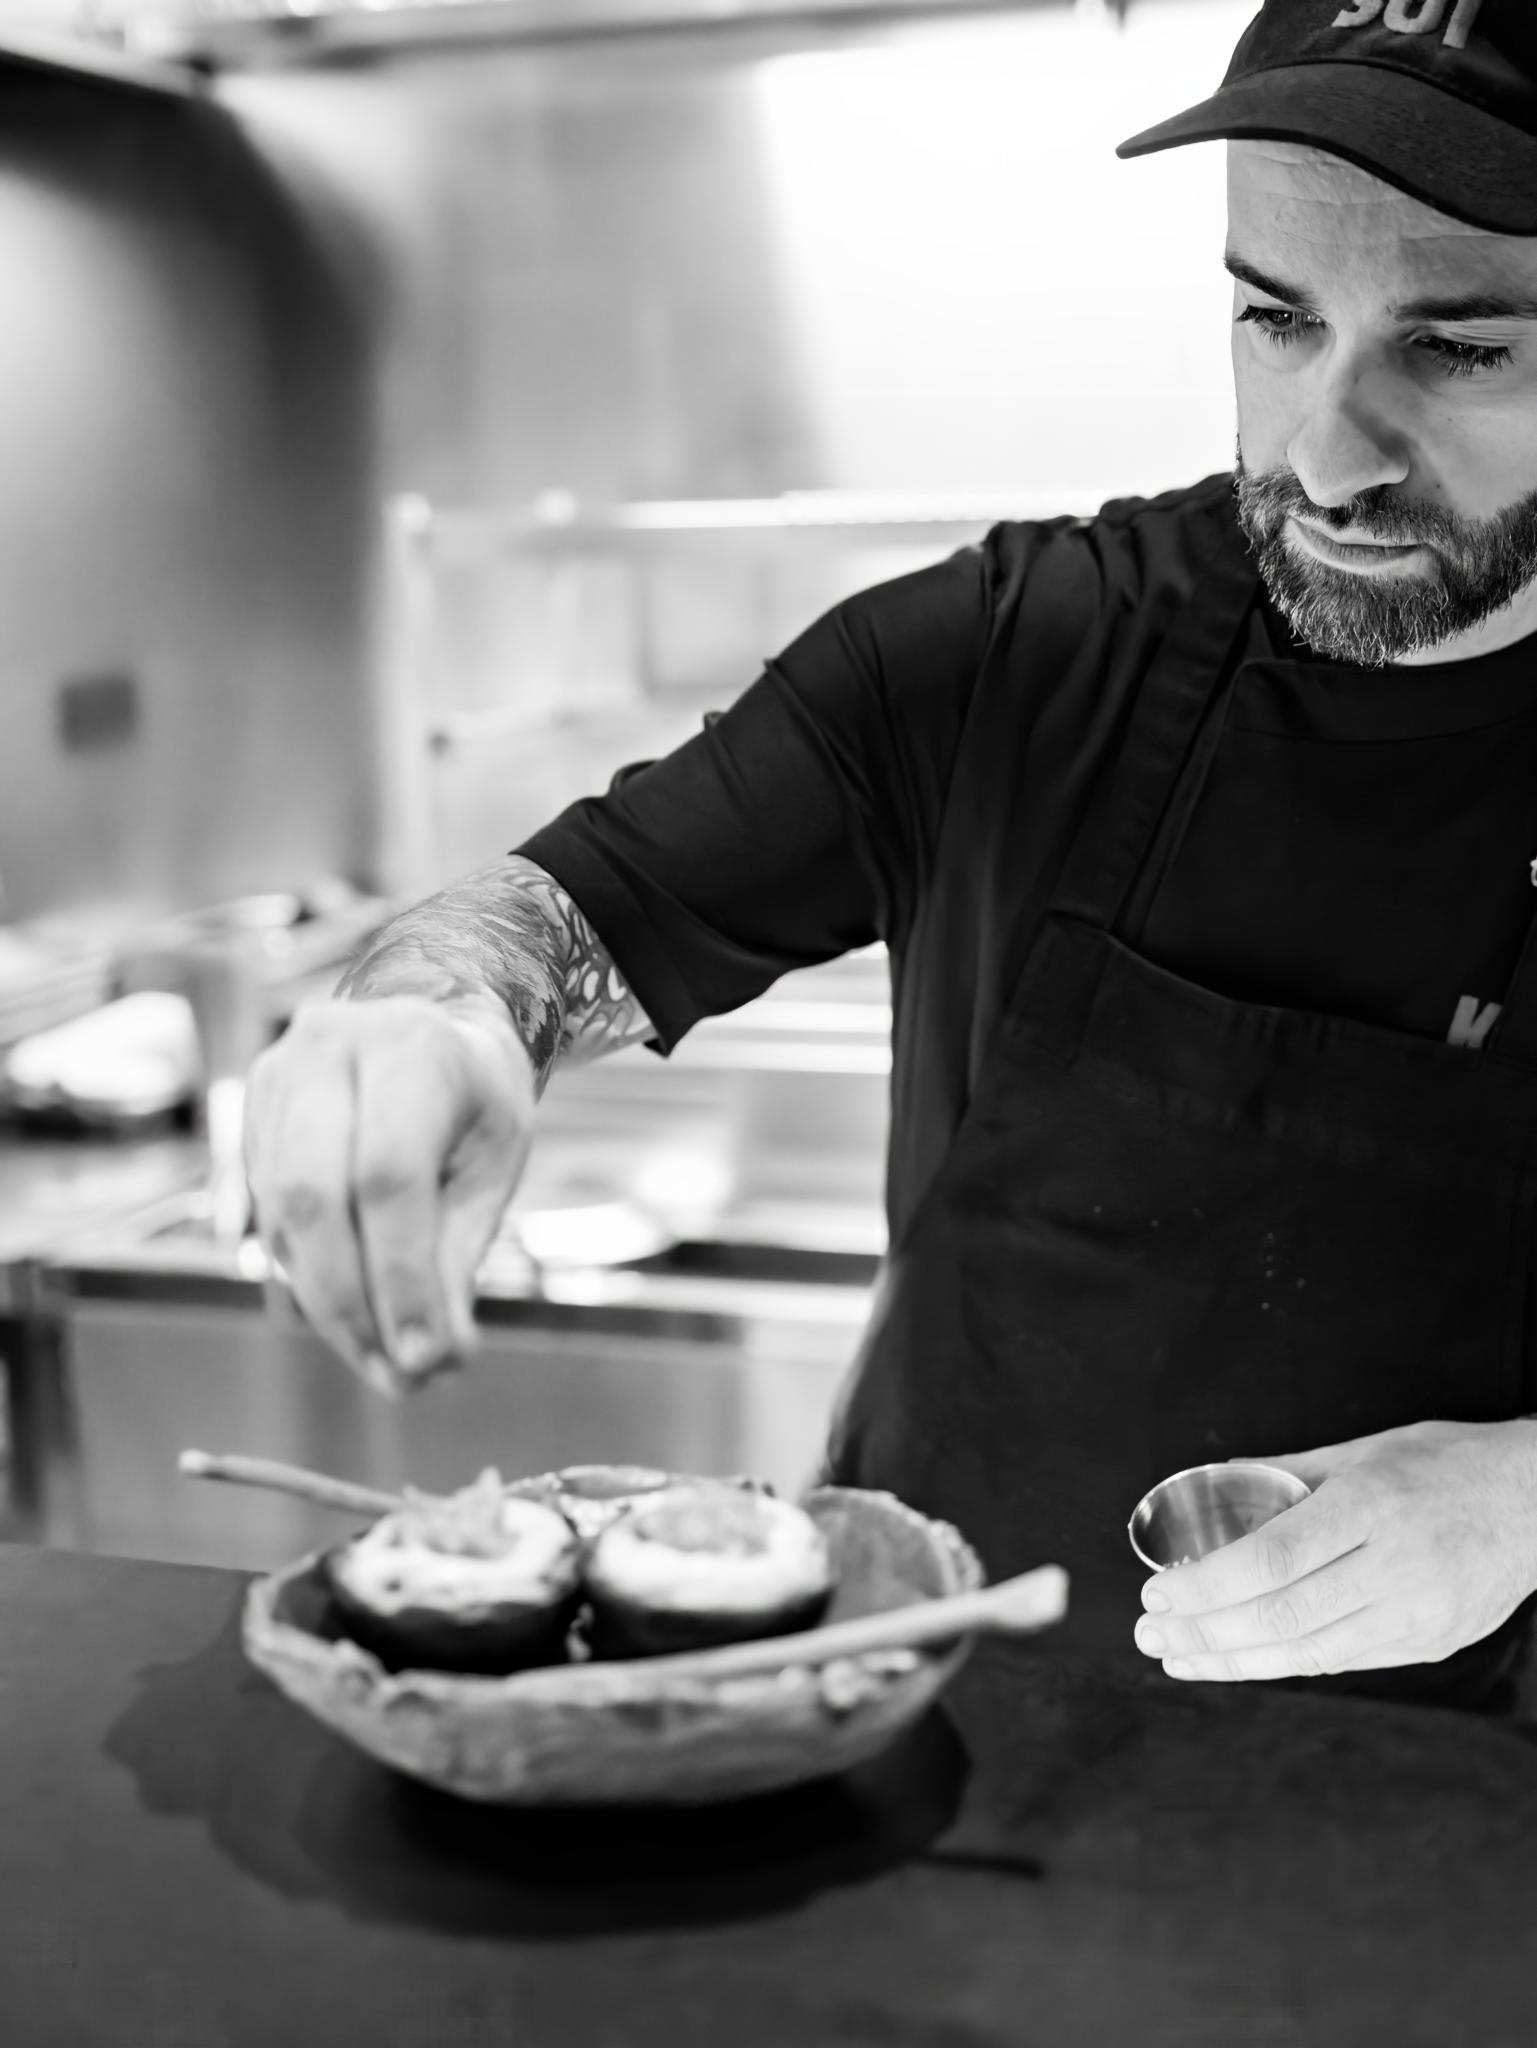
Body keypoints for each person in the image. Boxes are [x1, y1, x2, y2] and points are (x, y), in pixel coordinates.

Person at [245, 0, 1537, 1706]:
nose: (1323, 455)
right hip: (928, 1740)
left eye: (1458, 351)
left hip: (1468, 1818)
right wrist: (438, 1013)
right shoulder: (1027, 650)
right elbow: (572, 910)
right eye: (1274, 320)